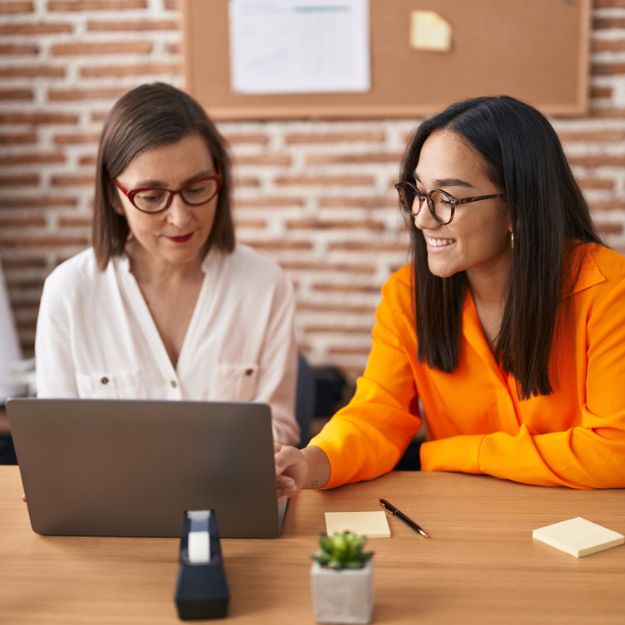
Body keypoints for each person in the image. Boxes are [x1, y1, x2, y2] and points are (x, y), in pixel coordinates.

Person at [276, 95, 625, 493]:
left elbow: (615, 450)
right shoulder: (407, 294)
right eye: (418, 193)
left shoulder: (608, 290)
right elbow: (376, 415)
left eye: (447, 198)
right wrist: (310, 462)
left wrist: (451, 453)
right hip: (461, 521)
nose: (422, 218)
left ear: (519, 208)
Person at [35, 82, 299, 445]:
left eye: (196, 189)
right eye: (152, 196)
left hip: (227, 496)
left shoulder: (265, 286)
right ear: (115, 197)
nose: (179, 217)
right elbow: (55, 441)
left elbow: (279, 428)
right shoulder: (69, 292)